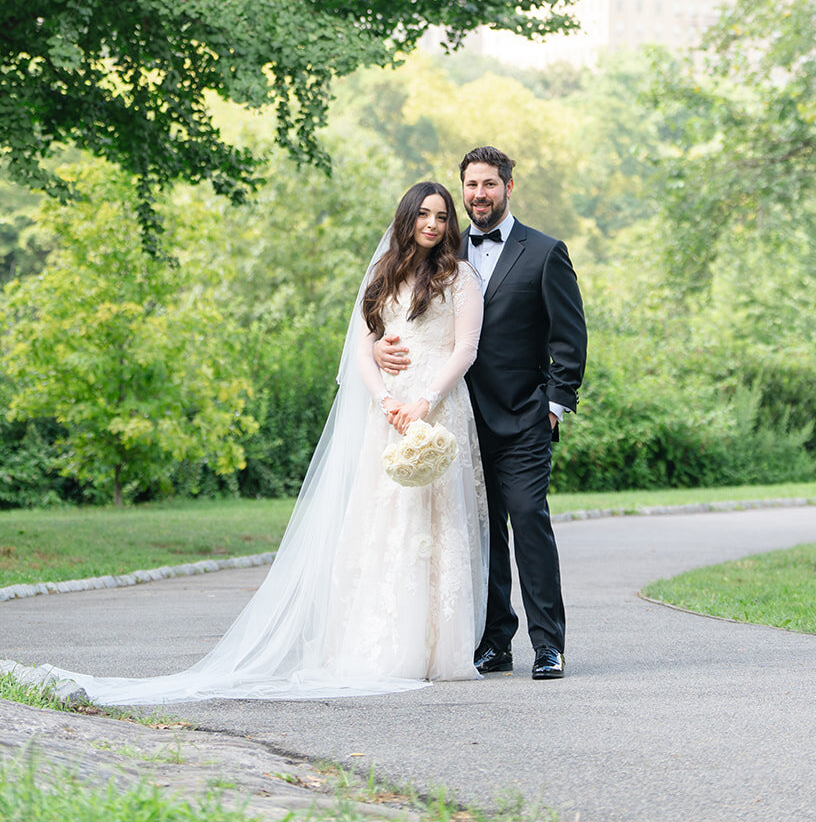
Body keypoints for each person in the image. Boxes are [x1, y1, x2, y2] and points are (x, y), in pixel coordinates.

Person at [36, 182, 488, 705]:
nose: (432, 224)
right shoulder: (383, 275)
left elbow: (466, 348)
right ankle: (384, 645)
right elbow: (363, 349)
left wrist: (425, 401)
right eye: (423, 214)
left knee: (436, 522)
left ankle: (439, 649)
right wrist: (385, 398)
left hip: (437, 406)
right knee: (382, 522)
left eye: (441, 215)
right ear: (407, 217)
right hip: (386, 411)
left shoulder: (458, 276)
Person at [375, 146, 586, 681]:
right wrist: (380, 352)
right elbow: (396, 315)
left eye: (489, 184)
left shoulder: (544, 252)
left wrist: (554, 408)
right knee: (478, 531)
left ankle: (549, 645)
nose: (479, 195)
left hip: (523, 419)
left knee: (528, 520)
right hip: (456, 420)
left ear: (508, 187)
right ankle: (495, 641)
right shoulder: (443, 248)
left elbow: (570, 339)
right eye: (471, 185)